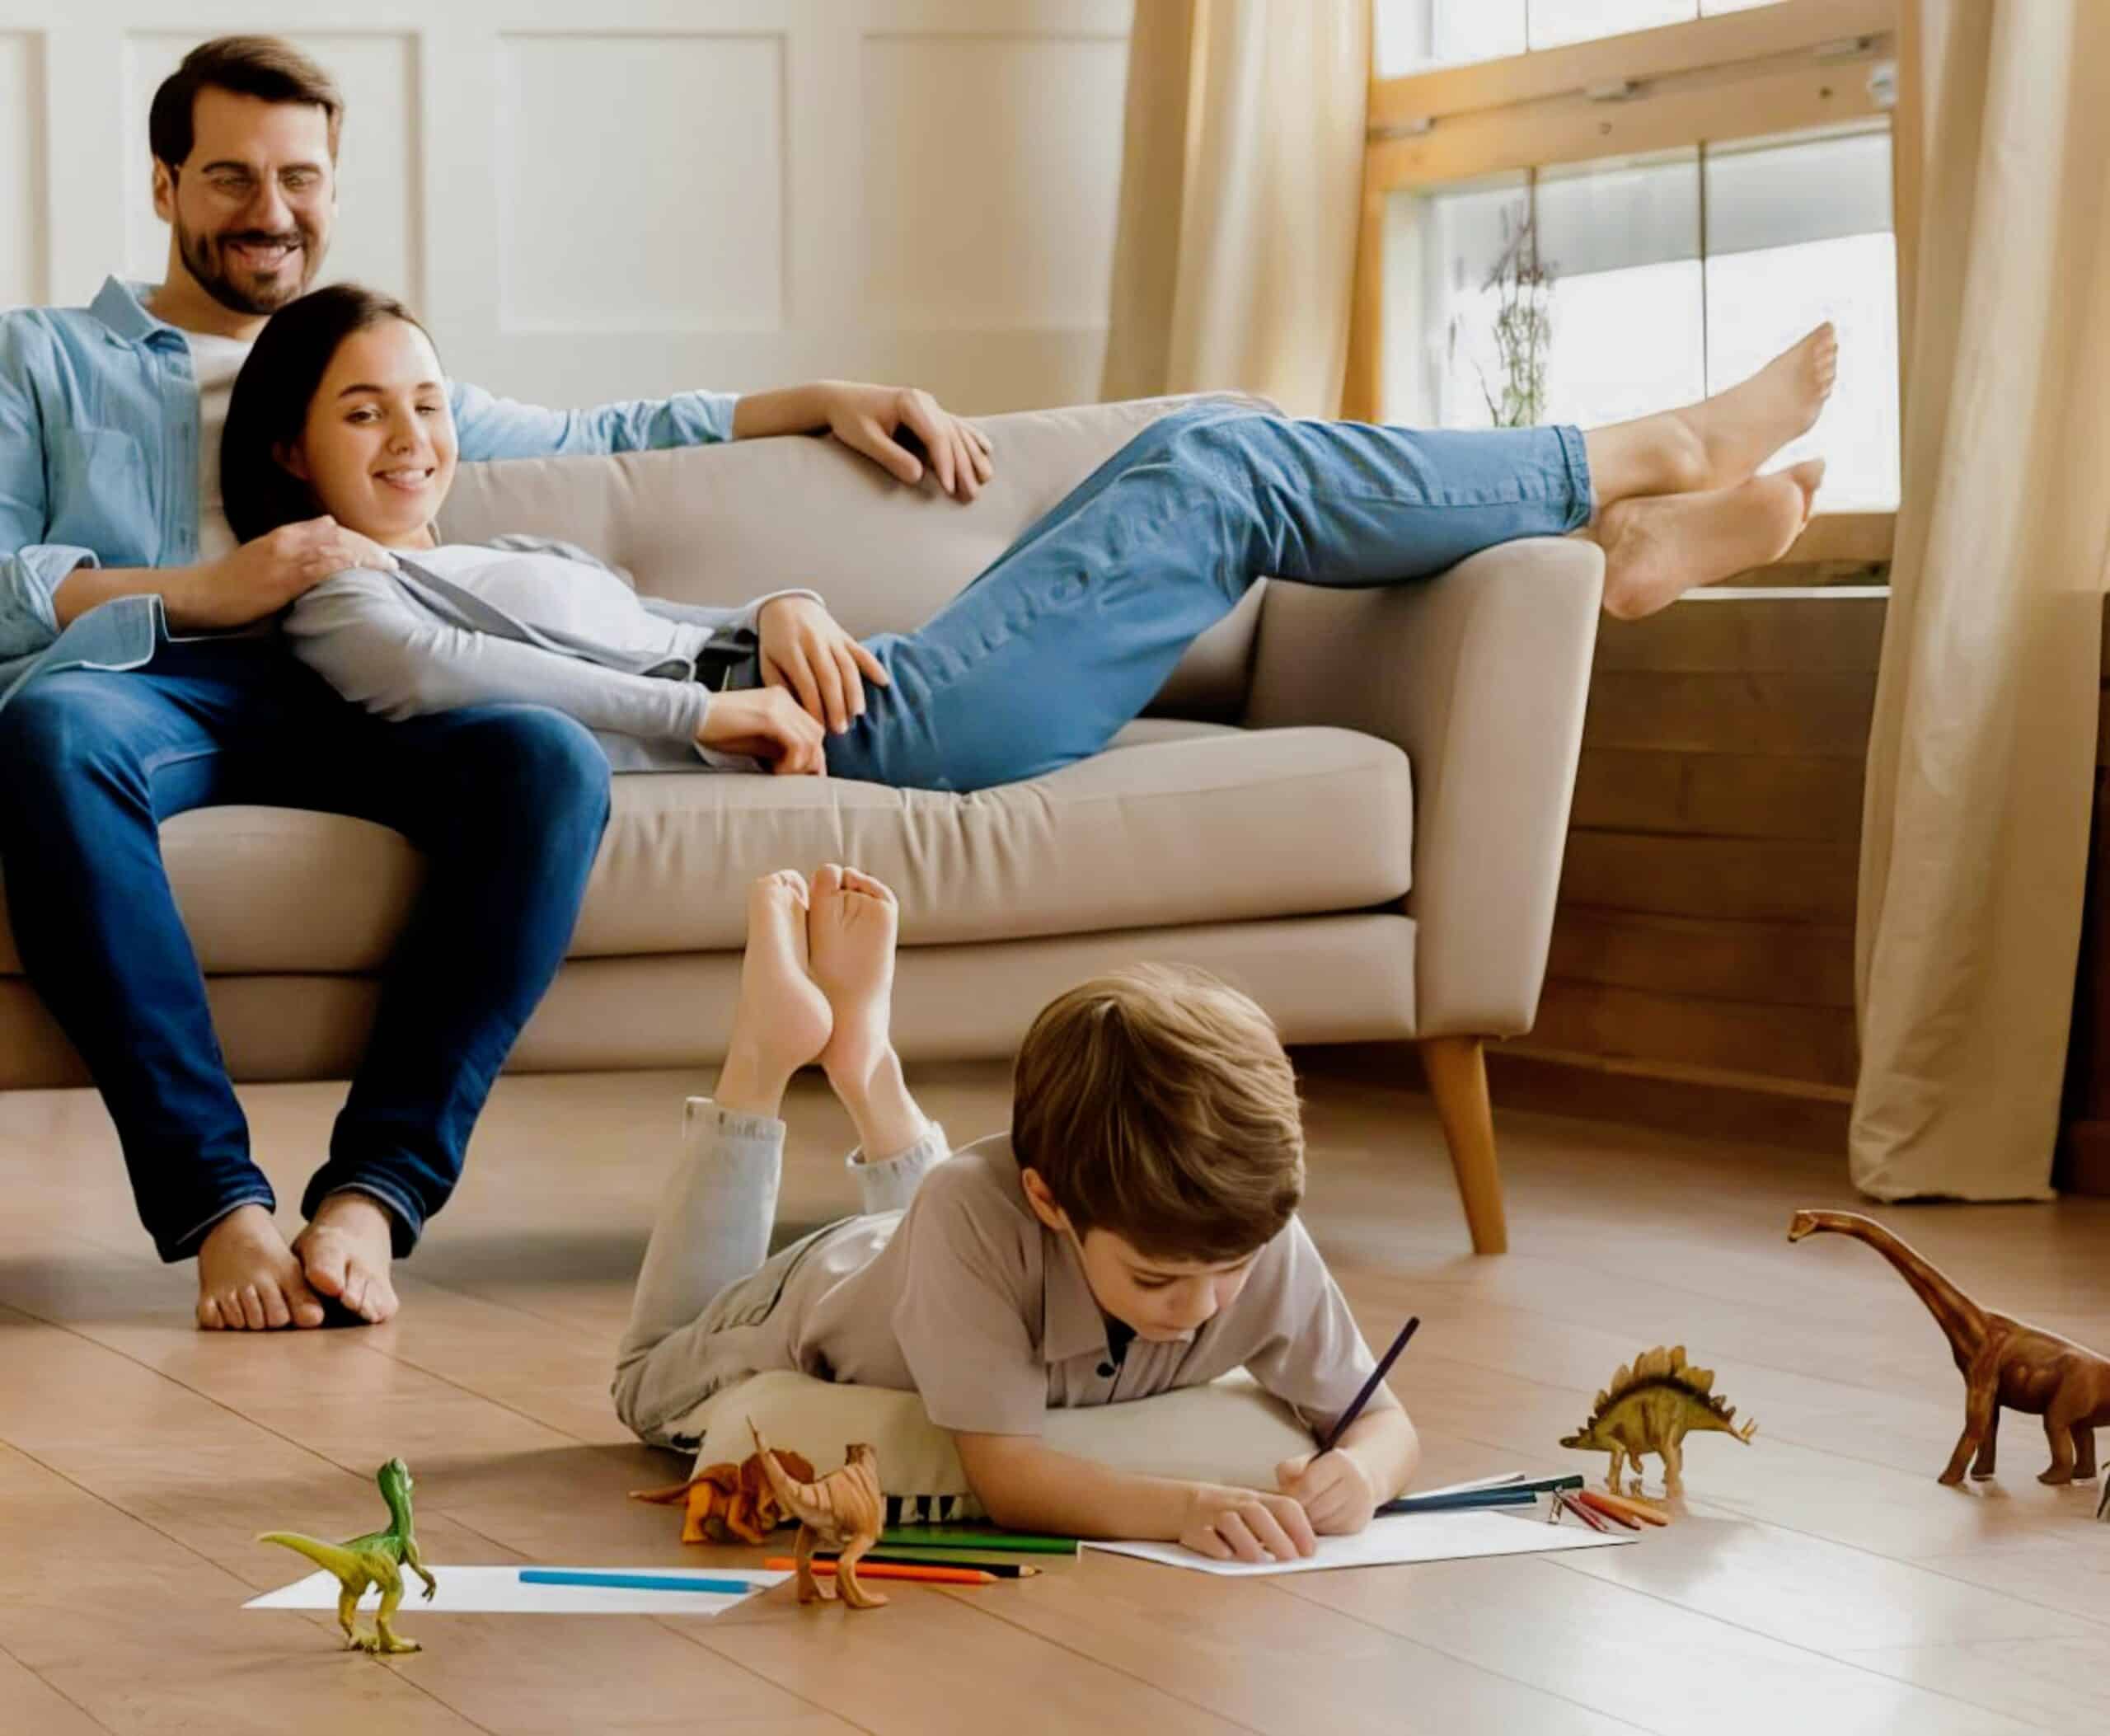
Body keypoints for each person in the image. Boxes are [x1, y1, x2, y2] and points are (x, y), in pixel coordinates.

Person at [0, 35, 991, 1333]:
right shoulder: (45, 356)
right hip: (166, 676)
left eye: (300, 177)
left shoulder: (378, 365)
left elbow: (609, 435)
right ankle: (217, 1209)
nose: (270, 211)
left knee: (545, 757)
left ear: (335, 186)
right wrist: (206, 588)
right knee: (52, 729)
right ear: (164, 186)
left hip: (383, 665)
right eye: (230, 177)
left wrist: (817, 396)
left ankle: (373, 1195)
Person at [234, 281, 1836, 792]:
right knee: (1218, 472)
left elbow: (635, 617)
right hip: (858, 731)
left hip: (855, 675)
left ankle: (1615, 529)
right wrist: (717, 705)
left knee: (1202, 436)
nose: (416, 439)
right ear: (289, 446)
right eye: (365, 413)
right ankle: (1635, 465)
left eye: (428, 404)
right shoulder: (330, 594)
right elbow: (457, 690)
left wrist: (779, 597)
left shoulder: (471, 537)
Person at [615, 863, 1419, 1563]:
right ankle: (762, 1057)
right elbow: (1007, 1478)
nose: (1202, 1308)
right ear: (1050, 1201)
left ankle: (863, 1059)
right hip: (828, 1285)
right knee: (645, 1386)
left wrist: (1361, 1473)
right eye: (1156, 1278)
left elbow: (1383, 1423)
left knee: (961, 1226)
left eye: (1230, 1272)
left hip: (949, 1259)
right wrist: (1185, 1508)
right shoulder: (975, 1210)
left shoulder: (1252, 1225)